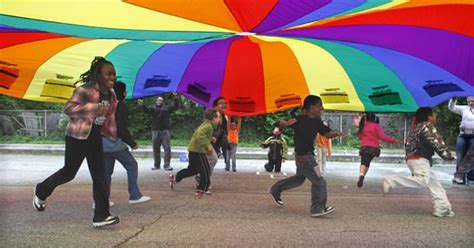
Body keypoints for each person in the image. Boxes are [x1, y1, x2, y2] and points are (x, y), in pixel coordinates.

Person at [32, 57, 120, 228]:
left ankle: (101, 216)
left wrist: (111, 133)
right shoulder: (85, 90)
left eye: (114, 74)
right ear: (98, 75)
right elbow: (69, 108)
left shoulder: (111, 94)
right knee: (69, 172)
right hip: (77, 137)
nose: (112, 77)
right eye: (108, 74)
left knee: (100, 175)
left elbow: (110, 115)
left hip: (94, 136)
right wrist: (94, 108)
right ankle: (41, 190)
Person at [269, 95, 344, 217]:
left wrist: (338, 133)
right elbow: (282, 124)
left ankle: (276, 189)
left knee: (299, 179)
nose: (321, 108)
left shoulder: (317, 122)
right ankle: (317, 209)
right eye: (319, 105)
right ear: (311, 107)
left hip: (304, 156)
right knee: (319, 181)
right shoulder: (300, 119)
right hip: (304, 156)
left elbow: (328, 134)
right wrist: (284, 123)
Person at [383, 107, 455, 217]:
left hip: (414, 159)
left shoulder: (417, 128)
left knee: (434, 183)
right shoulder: (427, 127)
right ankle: (392, 180)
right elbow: (436, 142)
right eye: (434, 114)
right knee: (423, 180)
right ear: (429, 116)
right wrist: (448, 156)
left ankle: (443, 208)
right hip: (419, 159)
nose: (435, 116)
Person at [102, 81, 151, 205]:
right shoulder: (121, 105)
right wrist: (132, 143)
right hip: (115, 143)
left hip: (103, 142)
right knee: (132, 165)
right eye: (125, 90)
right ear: (123, 92)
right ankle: (134, 195)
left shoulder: (107, 103)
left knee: (106, 172)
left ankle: (102, 200)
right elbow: (121, 128)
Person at [169, 108, 221, 197]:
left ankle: (175, 178)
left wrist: (210, 138)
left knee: (193, 170)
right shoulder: (208, 126)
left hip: (193, 150)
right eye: (219, 117)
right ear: (213, 118)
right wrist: (207, 146)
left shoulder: (207, 124)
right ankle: (202, 189)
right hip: (198, 151)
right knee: (205, 170)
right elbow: (200, 134)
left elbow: (200, 133)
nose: (220, 119)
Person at [137, 93, 179, 171]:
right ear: (156, 101)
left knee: (167, 149)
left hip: (165, 131)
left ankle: (167, 165)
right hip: (155, 131)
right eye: (158, 100)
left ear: (163, 101)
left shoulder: (167, 108)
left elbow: (175, 106)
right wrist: (142, 105)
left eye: (161, 100)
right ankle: (156, 165)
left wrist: (176, 97)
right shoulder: (153, 108)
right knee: (156, 149)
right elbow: (146, 110)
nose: (159, 101)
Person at [356, 113, 399, 188]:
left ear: (366, 118)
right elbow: (382, 136)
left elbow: (360, 137)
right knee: (367, 163)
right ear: (374, 118)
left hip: (365, 147)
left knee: (363, 162)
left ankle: (361, 175)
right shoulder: (376, 126)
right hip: (374, 149)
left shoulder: (363, 126)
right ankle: (362, 176)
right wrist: (393, 140)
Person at [448, 97, 474, 185]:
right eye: (469, 101)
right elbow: (451, 107)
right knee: (460, 155)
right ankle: (459, 177)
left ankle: (471, 177)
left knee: (472, 156)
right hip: (463, 135)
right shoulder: (464, 109)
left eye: (473, 101)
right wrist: (453, 99)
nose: (471, 103)